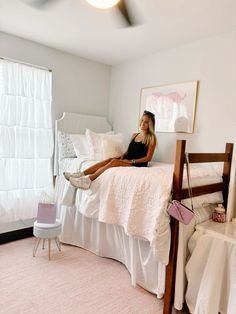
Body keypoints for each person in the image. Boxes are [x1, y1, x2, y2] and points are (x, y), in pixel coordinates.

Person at [64, 110, 157, 190]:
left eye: (146, 122)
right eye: (142, 120)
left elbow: (148, 158)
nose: (143, 124)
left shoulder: (151, 138)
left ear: (150, 125)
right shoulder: (134, 135)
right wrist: (122, 156)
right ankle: (79, 174)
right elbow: (129, 151)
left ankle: (88, 180)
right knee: (110, 160)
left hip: (138, 163)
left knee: (113, 163)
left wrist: (131, 161)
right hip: (129, 160)